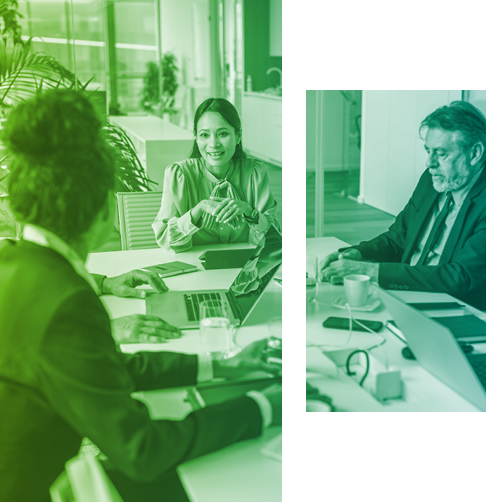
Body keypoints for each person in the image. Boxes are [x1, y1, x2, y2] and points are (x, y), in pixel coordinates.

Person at [0, 89, 282, 502]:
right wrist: (265, 405)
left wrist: (224, 365)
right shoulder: (66, 302)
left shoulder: (17, 262)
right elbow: (143, 450)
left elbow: (107, 368)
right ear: (100, 210)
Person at [320, 101, 486, 310]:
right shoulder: (432, 179)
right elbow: (398, 238)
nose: (429, 163)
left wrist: (369, 272)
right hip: (404, 296)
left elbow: (459, 277)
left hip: (456, 310)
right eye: (428, 151)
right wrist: (357, 254)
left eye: (442, 153)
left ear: (475, 153)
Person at [152, 97, 279, 252]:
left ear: (238, 135)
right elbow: (167, 241)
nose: (213, 144)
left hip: (244, 270)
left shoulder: (255, 173)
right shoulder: (179, 175)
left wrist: (249, 212)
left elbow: (272, 240)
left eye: (223, 133)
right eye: (205, 135)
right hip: (196, 271)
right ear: (196, 137)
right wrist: (198, 210)